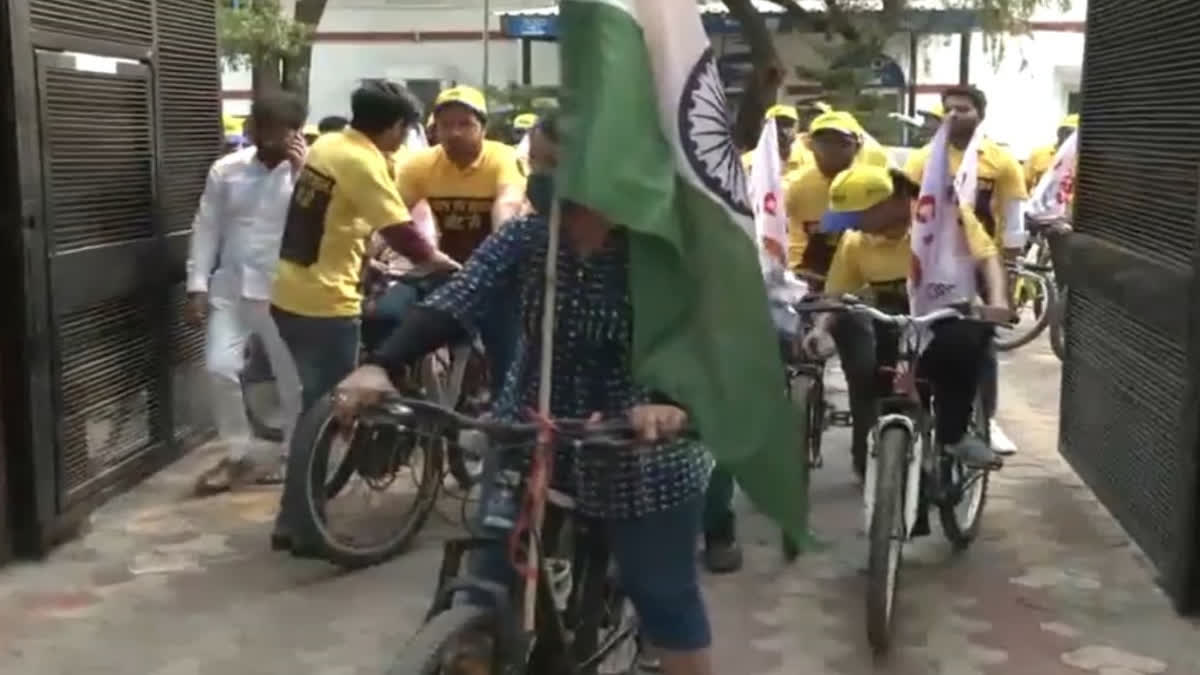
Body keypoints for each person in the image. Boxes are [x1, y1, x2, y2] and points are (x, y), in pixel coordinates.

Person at [331, 115, 716, 675]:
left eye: (561, 165)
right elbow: (457, 298)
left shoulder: (663, 251)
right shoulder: (528, 236)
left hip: (641, 440)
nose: (544, 178)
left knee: (661, 594)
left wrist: (668, 399)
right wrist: (381, 366)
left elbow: (700, 337)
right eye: (539, 164)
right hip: (531, 426)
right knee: (485, 579)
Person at [269, 79, 459, 551]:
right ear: (395, 127)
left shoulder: (328, 145)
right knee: (328, 418)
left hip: (290, 292)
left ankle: (295, 518)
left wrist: (365, 261)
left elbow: (328, 219)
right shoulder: (363, 162)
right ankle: (301, 526)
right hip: (326, 303)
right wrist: (445, 264)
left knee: (314, 409)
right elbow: (403, 234)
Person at [802, 164, 1012, 471]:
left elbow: (987, 257)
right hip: (898, 323)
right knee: (884, 381)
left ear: (894, 201)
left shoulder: (944, 217)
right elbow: (836, 293)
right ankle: (890, 460)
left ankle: (956, 437)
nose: (854, 225)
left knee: (959, 355)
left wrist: (998, 301)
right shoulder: (854, 243)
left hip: (951, 315)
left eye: (858, 215)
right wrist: (821, 329)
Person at [185, 92, 308, 493]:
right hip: (232, 287)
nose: (268, 138)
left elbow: (323, 223)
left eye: (279, 131)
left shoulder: (310, 174)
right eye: (262, 128)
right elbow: (207, 227)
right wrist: (197, 284)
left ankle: (294, 452)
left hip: (285, 291)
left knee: (291, 378)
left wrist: (302, 173)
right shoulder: (226, 170)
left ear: (296, 133)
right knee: (219, 367)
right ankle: (237, 453)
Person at [903, 85, 1027, 456]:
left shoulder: (1001, 161)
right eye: (948, 109)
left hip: (981, 257)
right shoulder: (923, 159)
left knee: (981, 342)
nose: (954, 115)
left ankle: (985, 419)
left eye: (964, 109)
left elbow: (1014, 218)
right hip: (935, 263)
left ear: (981, 115)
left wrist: (1010, 268)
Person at [395, 85, 527, 392]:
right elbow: (389, 214)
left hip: (496, 275)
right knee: (394, 319)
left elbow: (507, 203)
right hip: (444, 271)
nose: (454, 133)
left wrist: (498, 257)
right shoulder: (420, 165)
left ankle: (503, 415)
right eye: (445, 125)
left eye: (464, 124)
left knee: (505, 347)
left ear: (484, 127)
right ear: (434, 129)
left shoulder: (503, 159)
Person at [741, 103, 798, 175]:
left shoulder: (811, 160)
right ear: (764, 128)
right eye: (776, 126)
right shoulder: (747, 162)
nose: (783, 131)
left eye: (788, 125)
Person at [1026, 113, 1078, 192]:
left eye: (1076, 136)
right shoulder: (1038, 154)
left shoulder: (1085, 161)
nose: (1071, 139)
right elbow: (1024, 185)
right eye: (1069, 133)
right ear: (1059, 133)